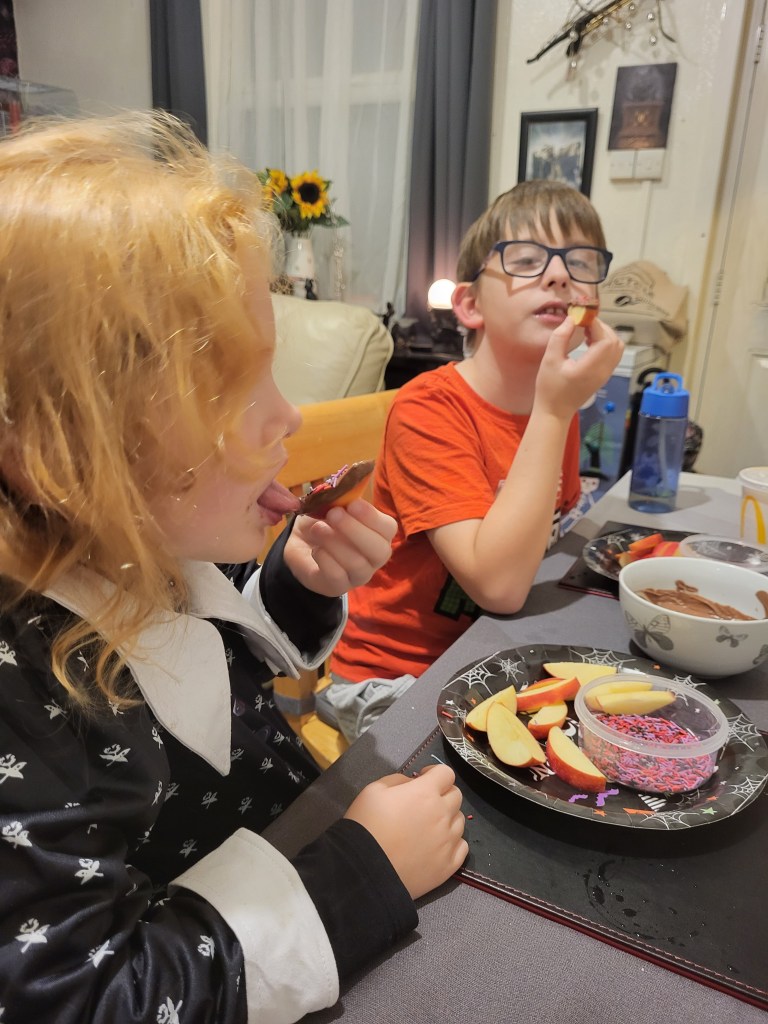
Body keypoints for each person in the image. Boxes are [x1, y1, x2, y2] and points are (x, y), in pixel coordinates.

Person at [0, 112, 467, 1023]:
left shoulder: (117, 536)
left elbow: (198, 675)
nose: (287, 418)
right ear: (62, 452)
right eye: (230, 389)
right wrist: (359, 876)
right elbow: (79, 997)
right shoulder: (20, 694)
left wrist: (299, 587)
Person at [323, 179, 624, 742]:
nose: (559, 275)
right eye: (527, 260)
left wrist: (556, 408)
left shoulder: (554, 400)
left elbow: (543, 539)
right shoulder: (432, 409)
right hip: (394, 676)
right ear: (469, 304)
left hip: (492, 654)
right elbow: (498, 586)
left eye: (581, 263)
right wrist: (555, 411)